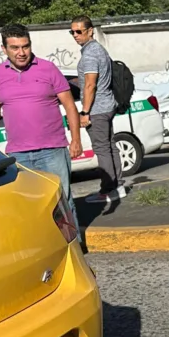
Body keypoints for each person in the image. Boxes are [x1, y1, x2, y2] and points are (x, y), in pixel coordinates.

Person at [0, 23, 85, 228]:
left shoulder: (48, 68)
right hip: (19, 154)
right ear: (4, 49)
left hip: (53, 150)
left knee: (62, 201)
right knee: (29, 205)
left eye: (25, 46)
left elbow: (69, 105)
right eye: (15, 48)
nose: (21, 53)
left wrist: (76, 139)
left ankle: (74, 248)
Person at [71, 15, 124, 204]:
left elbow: (90, 85)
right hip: (108, 104)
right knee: (110, 146)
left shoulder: (91, 53)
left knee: (102, 149)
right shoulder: (99, 50)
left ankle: (109, 190)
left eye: (79, 31)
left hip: (97, 108)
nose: (75, 35)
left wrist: (85, 112)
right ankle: (117, 185)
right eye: (72, 32)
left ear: (90, 30)